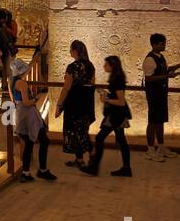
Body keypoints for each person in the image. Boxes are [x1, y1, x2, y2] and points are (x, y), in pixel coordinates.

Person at [81, 56, 133, 178]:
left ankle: (94, 168)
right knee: (121, 140)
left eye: (106, 64)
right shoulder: (117, 78)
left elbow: (121, 101)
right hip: (117, 114)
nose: (104, 66)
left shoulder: (117, 80)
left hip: (116, 115)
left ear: (112, 66)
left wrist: (107, 99)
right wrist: (105, 93)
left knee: (100, 138)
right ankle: (126, 168)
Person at [142, 33, 180, 162]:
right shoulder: (149, 59)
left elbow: (165, 70)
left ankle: (161, 147)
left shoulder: (160, 57)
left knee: (160, 121)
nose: (164, 45)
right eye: (162, 43)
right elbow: (149, 78)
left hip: (161, 94)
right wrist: (168, 77)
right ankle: (150, 150)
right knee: (153, 122)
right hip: (154, 95)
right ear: (154, 44)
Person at [57, 39, 96, 168]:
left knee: (74, 131)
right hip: (86, 103)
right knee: (83, 130)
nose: (70, 52)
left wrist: (59, 105)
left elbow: (66, 87)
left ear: (75, 51)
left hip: (74, 103)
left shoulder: (72, 67)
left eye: (71, 49)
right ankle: (81, 159)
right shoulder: (90, 66)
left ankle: (91, 156)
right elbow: (91, 84)